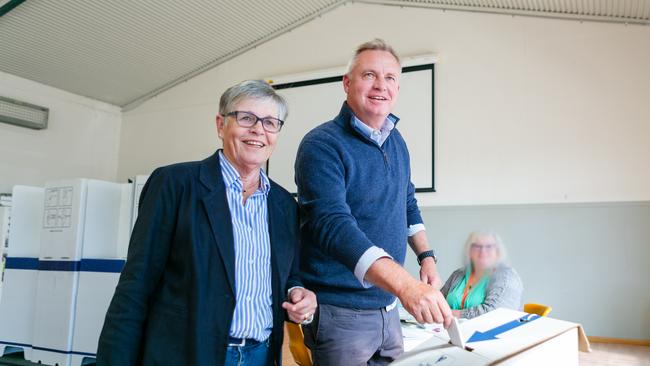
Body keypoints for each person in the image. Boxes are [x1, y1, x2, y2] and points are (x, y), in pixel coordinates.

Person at [97, 80, 316, 366]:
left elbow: (289, 276)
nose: (258, 130)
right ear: (220, 124)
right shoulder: (175, 185)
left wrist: (298, 295)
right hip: (187, 354)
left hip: (260, 356)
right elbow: (136, 285)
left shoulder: (284, 205)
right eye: (246, 118)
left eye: (270, 122)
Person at [294, 39, 453, 366]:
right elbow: (333, 226)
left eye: (390, 77)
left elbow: (406, 201)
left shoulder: (396, 141)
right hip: (341, 313)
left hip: (389, 308)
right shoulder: (321, 145)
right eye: (369, 75)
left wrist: (426, 256)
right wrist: (407, 286)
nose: (381, 85)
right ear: (347, 83)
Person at [441, 231, 523, 319]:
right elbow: (438, 300)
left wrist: (449, 314)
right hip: (449, 329)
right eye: (477, 246)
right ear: (469, 251)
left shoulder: (506, 276)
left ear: (497, 251)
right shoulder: (459, 274)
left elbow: (494, 313)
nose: (483, 251)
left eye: (489, 246)